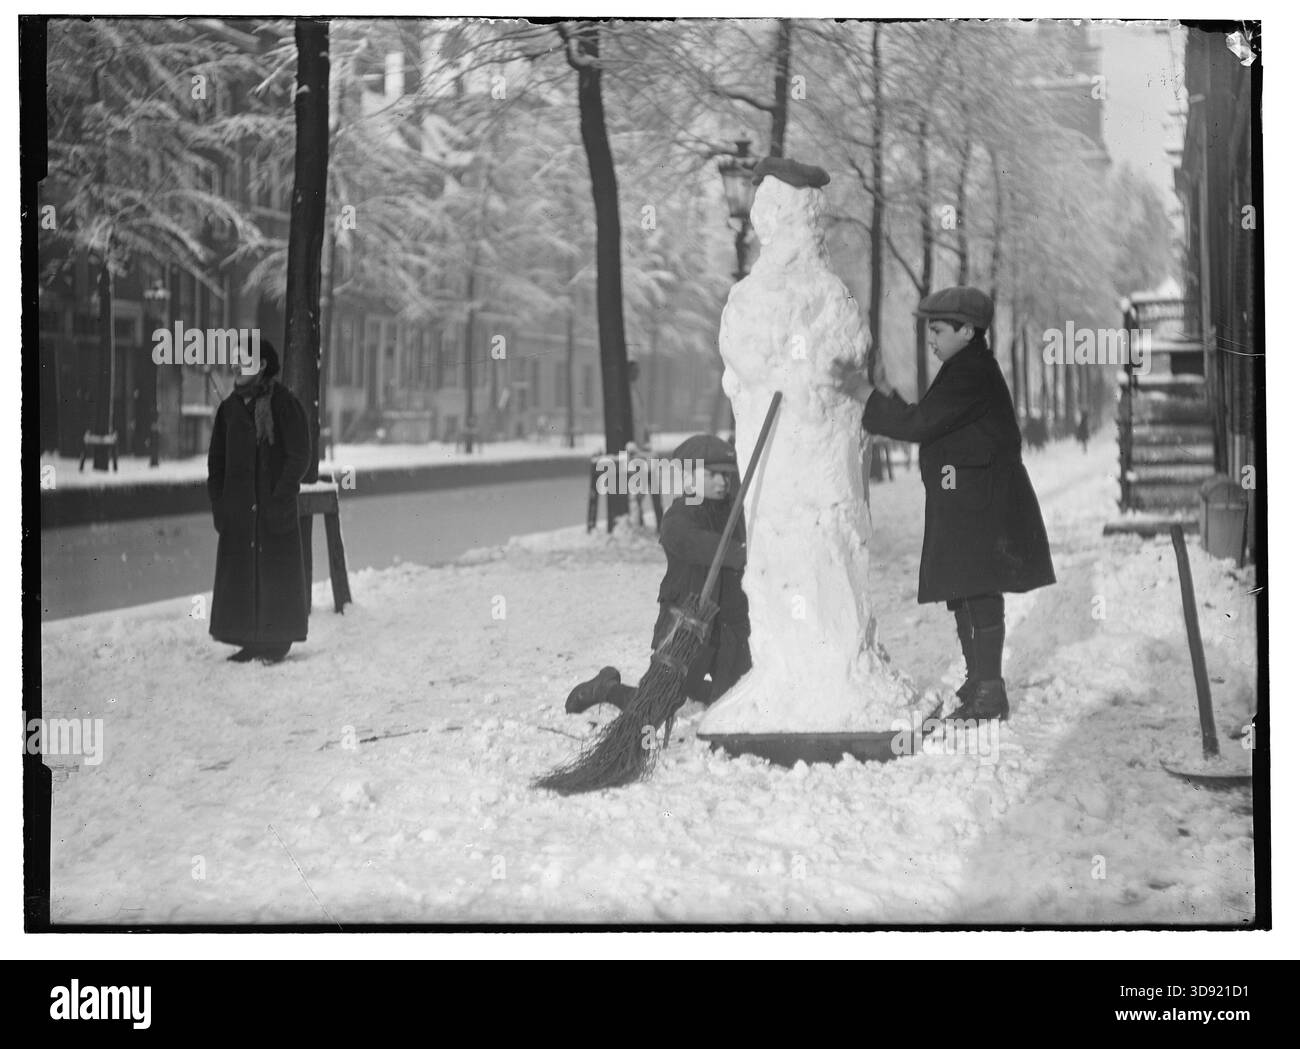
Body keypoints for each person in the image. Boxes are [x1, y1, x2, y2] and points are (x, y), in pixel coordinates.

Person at [834, 285, 1056, 720]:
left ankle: (990, 690)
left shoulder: (970, 371)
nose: (930, 340)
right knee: (965, 588)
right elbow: (932, 419)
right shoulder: (964, 368)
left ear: (967, 331)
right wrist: (882, 394)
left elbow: (921, 424)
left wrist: (865, 394)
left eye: (937, 331)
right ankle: (979, 682)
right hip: (969, 498)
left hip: (981, 502)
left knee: (978, 586)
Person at [565, 434, 752, 714]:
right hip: (687, 628)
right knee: (655, 705)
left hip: (726, 632)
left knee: (737, 699)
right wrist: (747, 550)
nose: (722, 482)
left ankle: (690, 689)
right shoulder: (679, 519)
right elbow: (717, 550)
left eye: (727, 475)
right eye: (712, 474)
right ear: (689, 476)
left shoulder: (731, 512)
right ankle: (606, 687)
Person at [206, 341, 312, 664]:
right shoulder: (229, 409)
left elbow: (300, 454)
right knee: (242, 575)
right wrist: (221, 506)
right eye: (234, 360)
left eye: (244, 360)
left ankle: (276, 641)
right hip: (239, 514)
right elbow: (217, 465)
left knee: (274, 574)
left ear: (262, 365)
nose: (236, 366)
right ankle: (248, 640)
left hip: (273, 510)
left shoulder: (283, 404)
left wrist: (281, 492)